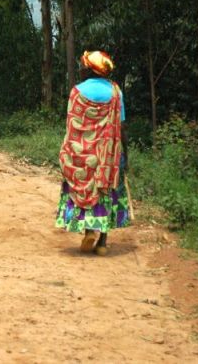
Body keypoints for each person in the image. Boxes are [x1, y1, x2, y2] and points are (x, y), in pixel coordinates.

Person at [56, 50, 130, 256]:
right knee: (105, 191)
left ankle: (89, 230)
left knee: (85, 189)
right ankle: (103, 242)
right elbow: (122, 126)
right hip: (107, 154)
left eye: (82, 65)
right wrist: (125, 154)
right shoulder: (116, 92)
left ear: (90, 69)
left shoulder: (77, 92)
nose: (80, 69)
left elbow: (72, 125)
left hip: (82, 154)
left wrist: (69, 151)